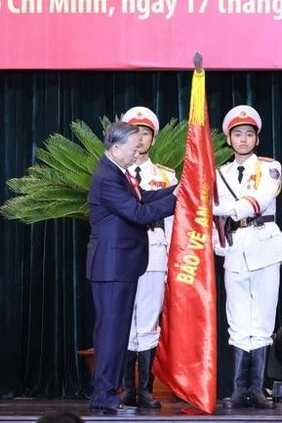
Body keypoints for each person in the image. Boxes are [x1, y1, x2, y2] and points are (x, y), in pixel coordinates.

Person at [86, 121, 178, 415]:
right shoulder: (108, 178)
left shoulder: (117, 172)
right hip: (113, 266)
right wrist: (179, 200)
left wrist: (179, 190)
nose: (137, 151)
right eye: (132, 146)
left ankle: (107, 391)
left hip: (120, 265)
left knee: (115, 331)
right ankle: (104, 394)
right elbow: (139, 213)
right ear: (115, 148)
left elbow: (144, 198)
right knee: (113, 332)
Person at [212, 105, 282, 409]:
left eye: (249, 134)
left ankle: (256, 389)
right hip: (233, 248)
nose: (244, 139)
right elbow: (212, 218)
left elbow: (261, 199)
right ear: (229, 139)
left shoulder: (269, 167)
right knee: (237, 322)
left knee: (260, 320)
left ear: (257, 139)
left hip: (263, 245)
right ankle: (238, 390)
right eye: (238, 134)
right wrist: (216, 243)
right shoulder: (219, 173)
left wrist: (225, 210)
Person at [119, 107, 178, 409]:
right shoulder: (116, 173)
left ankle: (145, 389)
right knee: (126, 322)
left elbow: (173, 221)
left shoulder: (166, 176)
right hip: (123, 255)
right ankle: (128, 388)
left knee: (148, 322)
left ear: (153, 139)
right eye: (134, 133)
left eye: (145, 133)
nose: (139, 139)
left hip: (155, 251)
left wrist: (172, 261)